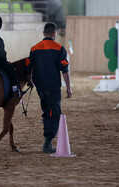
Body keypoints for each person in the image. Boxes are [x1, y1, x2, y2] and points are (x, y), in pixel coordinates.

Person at [25, 22, 72, 154]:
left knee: (46, 111)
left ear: (44, 33)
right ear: (54, 34)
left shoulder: (34, 48)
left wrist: (30, 81)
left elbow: (28, 67)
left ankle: (48, 139)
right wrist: (68, 88)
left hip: (40, 87)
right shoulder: (59, 48)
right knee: (54, 113)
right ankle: (48, 142)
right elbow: (65, 69)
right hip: (53, 87)